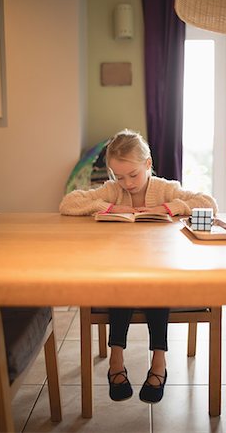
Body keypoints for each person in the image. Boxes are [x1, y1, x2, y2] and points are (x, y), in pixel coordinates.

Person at [59, 129, 218, 404]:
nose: (127, 183)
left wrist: (169, 208)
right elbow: (68, 203)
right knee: (126, 285)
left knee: (154, 285)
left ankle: (159, 362)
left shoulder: (164, 187)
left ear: (147, 164)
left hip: (160, 269)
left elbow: (209, 203)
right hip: (122, 269)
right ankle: (116, 359)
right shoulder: (113, 190)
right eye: (118, 176)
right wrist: (109, 208)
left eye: (133, 175)